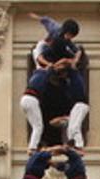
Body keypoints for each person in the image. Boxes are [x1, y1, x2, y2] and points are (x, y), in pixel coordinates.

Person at [21, 17, 85, 152]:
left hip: (26, 99)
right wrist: (67, 61)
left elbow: (45, 20)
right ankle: (77, 146)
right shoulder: (46, 68)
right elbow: (44, 59)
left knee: (40, 126)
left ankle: (35, 147)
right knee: (41, 126)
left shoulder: (40, 72)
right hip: (32, 99)